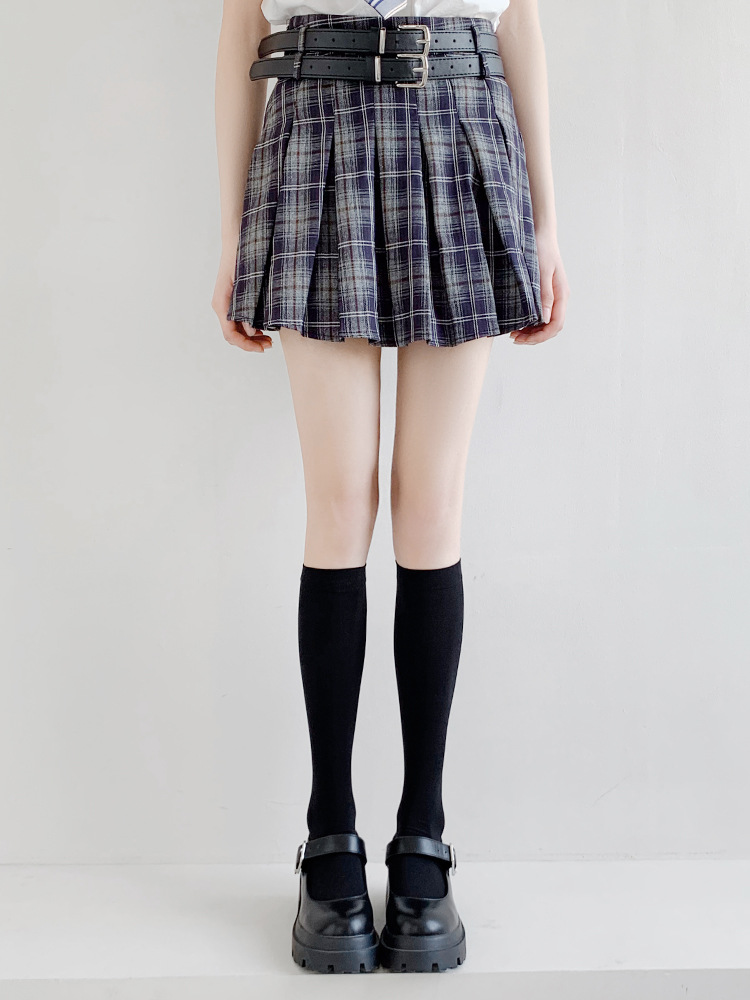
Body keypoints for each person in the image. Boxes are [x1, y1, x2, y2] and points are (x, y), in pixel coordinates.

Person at [212, 0, 569, 974]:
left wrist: (546, 222)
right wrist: (233, 232)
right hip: (314, 120)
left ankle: (424, 832)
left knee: (429, 503)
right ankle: (330, 830)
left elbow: (520, 20)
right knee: (338, 501)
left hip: (462, 122)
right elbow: (241, 28)